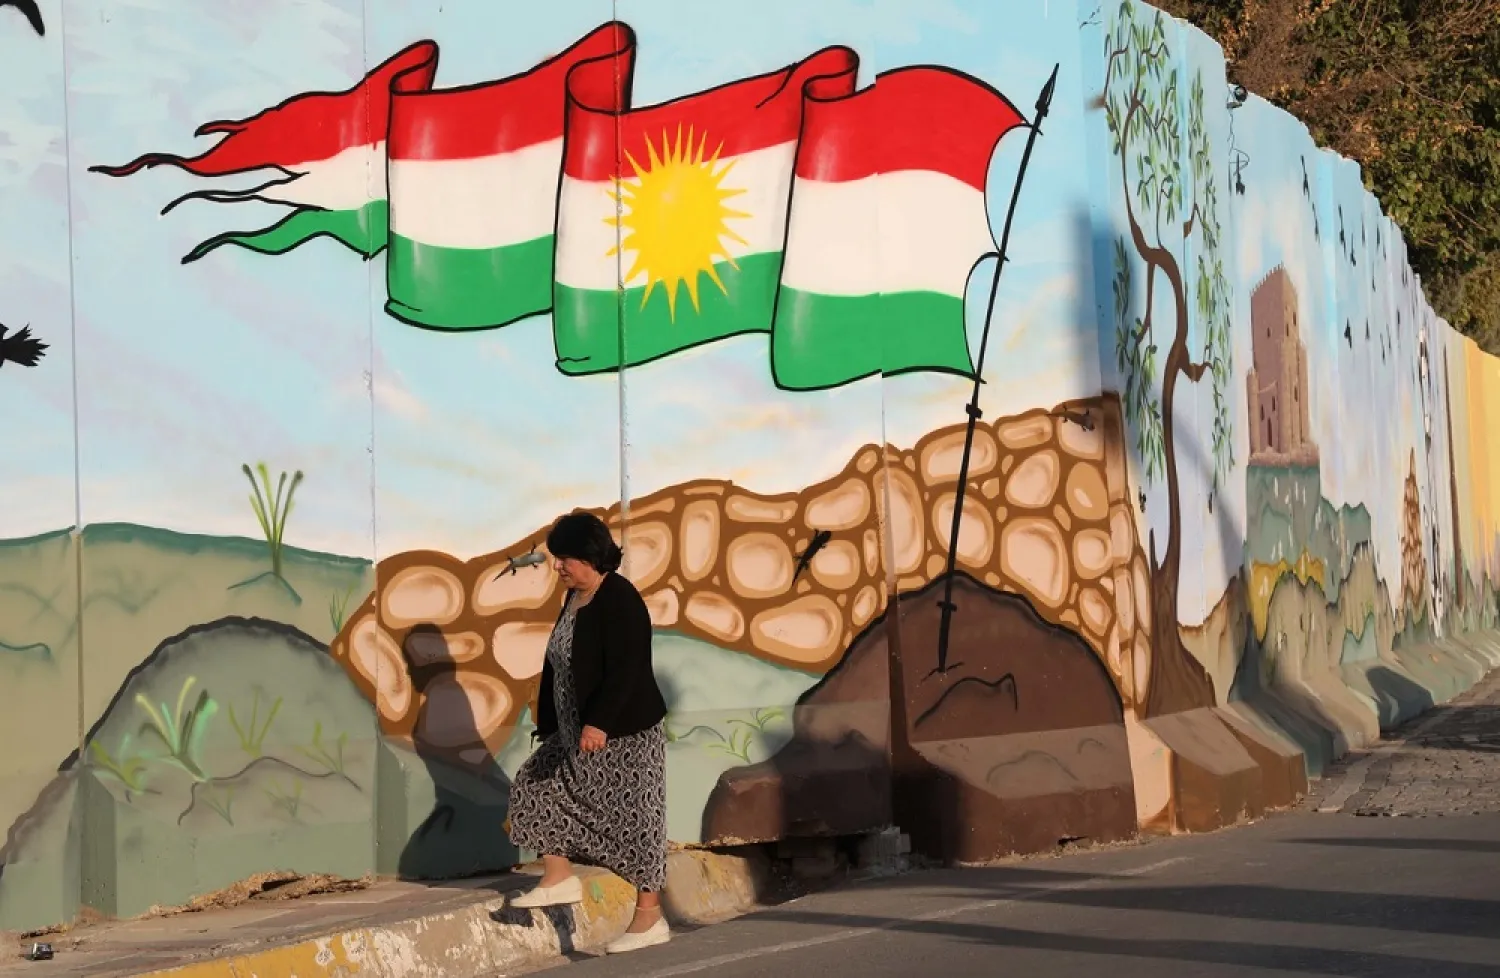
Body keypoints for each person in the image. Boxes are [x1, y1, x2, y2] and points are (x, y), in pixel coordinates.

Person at [505, 511, 671, 955]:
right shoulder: (576, 597)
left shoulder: (619, 598)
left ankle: (649, 917)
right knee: (534, 786)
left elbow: (627, 668)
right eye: (557, 558)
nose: (558, 566)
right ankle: (559, 876)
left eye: (566, 558)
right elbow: (561, 662)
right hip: (577, 731)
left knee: (638, 821)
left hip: (624, 733)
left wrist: (599, 722)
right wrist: (555, 723)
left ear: (591, 556)